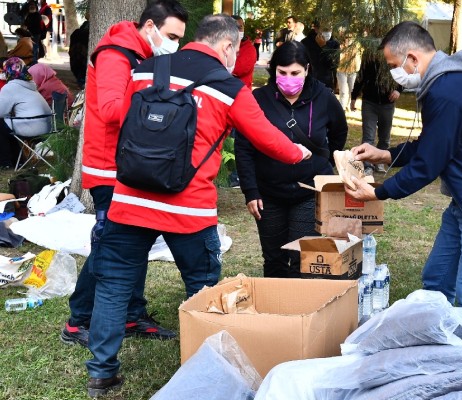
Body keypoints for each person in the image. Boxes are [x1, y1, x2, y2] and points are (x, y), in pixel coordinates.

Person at [84, 14, 311, 396]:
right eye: (234, 52)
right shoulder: (227, 86)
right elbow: (264, 138)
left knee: (113, 284)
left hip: (130, 198)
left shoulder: (145, 69)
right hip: (188, 209)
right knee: (203, 287)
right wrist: (297, 153)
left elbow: (122, 119)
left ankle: (101, 371)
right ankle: (208, 366)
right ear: (226, 47)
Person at [346, 22, 462, 310]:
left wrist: (379, 193)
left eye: (395, 65)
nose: (395, 74)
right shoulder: (442, 84)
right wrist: (384, 154)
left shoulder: (447, 90)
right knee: (437, 280)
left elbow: (428, 165)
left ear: (413, 59)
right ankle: (439, 343)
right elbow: (430, 144)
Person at [61, 0, 189, 355]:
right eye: (171, 36)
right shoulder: (116, 54)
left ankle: (132, 314)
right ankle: (78, 320)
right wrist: (161, 110)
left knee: (135, 241)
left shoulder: (145, 53)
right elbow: (112, 110)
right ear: (150, 27)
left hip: (133, 165)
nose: (174, 44)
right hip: (108, 169)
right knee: (112, 246)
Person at [236, 41, 347, 278]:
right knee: (274, 258)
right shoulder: (259, 99)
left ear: (307, 69)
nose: (289, 78)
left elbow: (339, 134)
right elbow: (244, 147)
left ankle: (300, 310)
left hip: (308, 191)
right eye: (282, 72)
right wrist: (251, 191)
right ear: (273, 70)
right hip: (268, 193)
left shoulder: (324, 97)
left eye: (295, 73)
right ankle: (276, 310)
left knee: (302, 258)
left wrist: (320, 163)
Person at [350, 43, 401, 175]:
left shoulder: (394, 51)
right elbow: (361, 75)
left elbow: (401, 72)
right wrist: (354, 96)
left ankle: (379, 162)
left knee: (385, 137)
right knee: (368, 136)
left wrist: (398, 90)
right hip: (369, 102)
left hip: (387, 102)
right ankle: (367, 165)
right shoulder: (369, 52)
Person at [0, 57, 52, 168]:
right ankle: (18, 161)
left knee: (2, 124)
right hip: (47, 128)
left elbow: (1, 112)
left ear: (7, 71)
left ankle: (5, 162)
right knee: (9, 125)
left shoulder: (10, 87)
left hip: (32, 129)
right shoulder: (30, 84)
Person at [301, 21, 339, 89]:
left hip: (326, 84)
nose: (328, 32)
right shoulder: (305, 43)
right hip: (309, 83)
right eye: (325, 29)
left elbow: (333, 65)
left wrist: (324, 47)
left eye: (330, 29)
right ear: (316, 29)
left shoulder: (334, 43)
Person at [337, 30, 361, 111]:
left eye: (350, 38)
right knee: (343, 91)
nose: (348, 39)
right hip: (341, 70)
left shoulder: (357, 46)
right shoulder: (340, 46)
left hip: (353, 71)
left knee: (352, 90)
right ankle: (341, 108)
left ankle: (349, 105)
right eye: (347, 37)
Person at [231, 15, 256, 89]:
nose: (237, 30)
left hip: (242, 91)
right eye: (233, 27)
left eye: (240, 27)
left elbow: (238, 70)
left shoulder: (249, 49)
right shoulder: (222, 44)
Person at [69, 15, 90, 87]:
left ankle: (81, 82)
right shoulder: (87, 34)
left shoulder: (76, 33)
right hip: (82, 54)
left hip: (76, 55)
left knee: (78, 70)